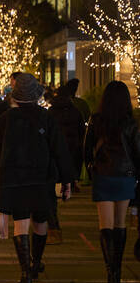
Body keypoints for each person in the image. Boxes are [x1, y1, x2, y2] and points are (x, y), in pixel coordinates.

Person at [0, 73, 75, 283]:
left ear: (15, 97)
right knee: (40, 221)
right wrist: (67, 180)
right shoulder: (46, 118)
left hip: (13, 179)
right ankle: (36, 262)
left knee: (20, 223)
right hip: (41, 179)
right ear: (37, 96)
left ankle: (25, 272)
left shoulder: (5, 120)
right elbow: (60, 151)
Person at [83, 81, 140, 283]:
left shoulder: (96, 121)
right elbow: (137, 152)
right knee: (120, 224)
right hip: (125, 177)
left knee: (105, 225)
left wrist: (91, 169)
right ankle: (118, 265)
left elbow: (87, 148)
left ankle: (111, 271)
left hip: (104, 176)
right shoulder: (130, 123)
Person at [46, 85, 85, 244]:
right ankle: (69, 184)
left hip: (52, 155)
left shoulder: (50, 113)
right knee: (66, 174)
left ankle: (53, 226)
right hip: (72, 149)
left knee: (49, 192)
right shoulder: (76, 112)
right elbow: (82, 132)